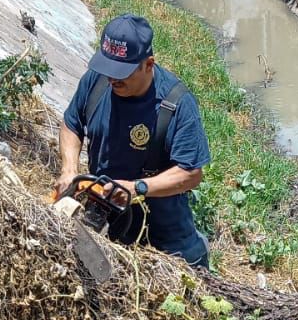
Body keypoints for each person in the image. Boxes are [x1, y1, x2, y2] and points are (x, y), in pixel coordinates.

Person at [58, 14, 212, 268]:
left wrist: (136, 188)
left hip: (163, 230)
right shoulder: (96, 81)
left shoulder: (176, 104)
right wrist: (70, 170)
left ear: (148, 64)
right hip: (107, 213)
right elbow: (71, 124)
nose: (112, 79)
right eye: (109, 69)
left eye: (122, 73)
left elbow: (191, 173)